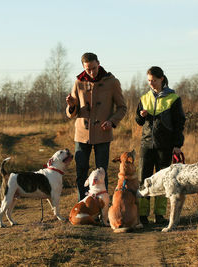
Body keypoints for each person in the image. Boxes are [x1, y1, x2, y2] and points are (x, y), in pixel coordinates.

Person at [66, 52, 127, 201]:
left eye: (94, 68)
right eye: (88, 69)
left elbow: (122, 108)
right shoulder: (78, 82)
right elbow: (71, 113)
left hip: (103, 133)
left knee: (101, 172)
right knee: (81, 172)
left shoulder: (112, 82)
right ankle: (83, 204)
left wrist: (112, 122)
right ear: (83, 67)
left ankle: (102, 206)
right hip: (81, 134)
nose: (91, 72)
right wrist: (71, 106)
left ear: (98, 63)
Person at [135, 66, 186, 224]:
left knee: (165, 180)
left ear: (162, 79)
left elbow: (179, 123)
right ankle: (142, 216)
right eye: (149, 81)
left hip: (165, 145)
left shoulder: (173, 98)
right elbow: (138, 121)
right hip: (146, 144)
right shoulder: (144, 98)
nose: (151, 83)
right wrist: (140, 116)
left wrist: (177, 145)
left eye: (154, 80)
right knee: (144, 179)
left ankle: (160, 215)